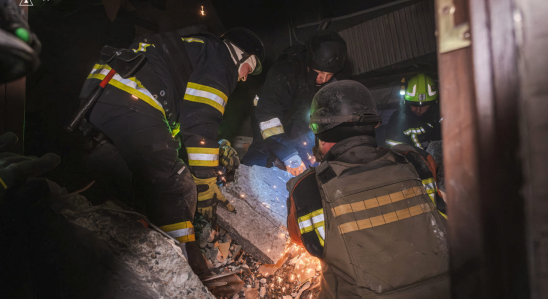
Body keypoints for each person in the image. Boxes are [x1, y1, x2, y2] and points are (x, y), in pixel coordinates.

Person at [77, 27, 264, 273]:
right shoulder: (221, 58)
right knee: (175, 184)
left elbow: (188, 125)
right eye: (249, 69)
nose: (244, 78)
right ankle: (186, 271)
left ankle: (118, 254)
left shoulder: (197, 48)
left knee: (136, 184)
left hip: (100, 95)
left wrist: (216, 149)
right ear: (241, 56)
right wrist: (206, 184)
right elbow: (201, 121)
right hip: (133, 98)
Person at [286, 80, 449, 298]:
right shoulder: (415, 160)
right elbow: (442, 214)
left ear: (321, 134)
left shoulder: (308, 187)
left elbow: (305, 242)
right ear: (373, 124)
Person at [242, 31, 347, 176]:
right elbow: (268, 117)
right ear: (310, 61)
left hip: (299, 131)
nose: (323, 79)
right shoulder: (284, 74)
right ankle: (244, 183)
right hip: (271, 128)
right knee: (261, 155)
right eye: (320, 72)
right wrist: (288, 155)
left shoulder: (330, 85)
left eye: (329, 75)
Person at [385, 73, 441, 149]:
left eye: (424, 105)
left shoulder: (440, 116)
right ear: (406, 102)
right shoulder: (398, 120)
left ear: (433, 103)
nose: (418, 110)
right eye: (414, 105)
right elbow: (393, 150)